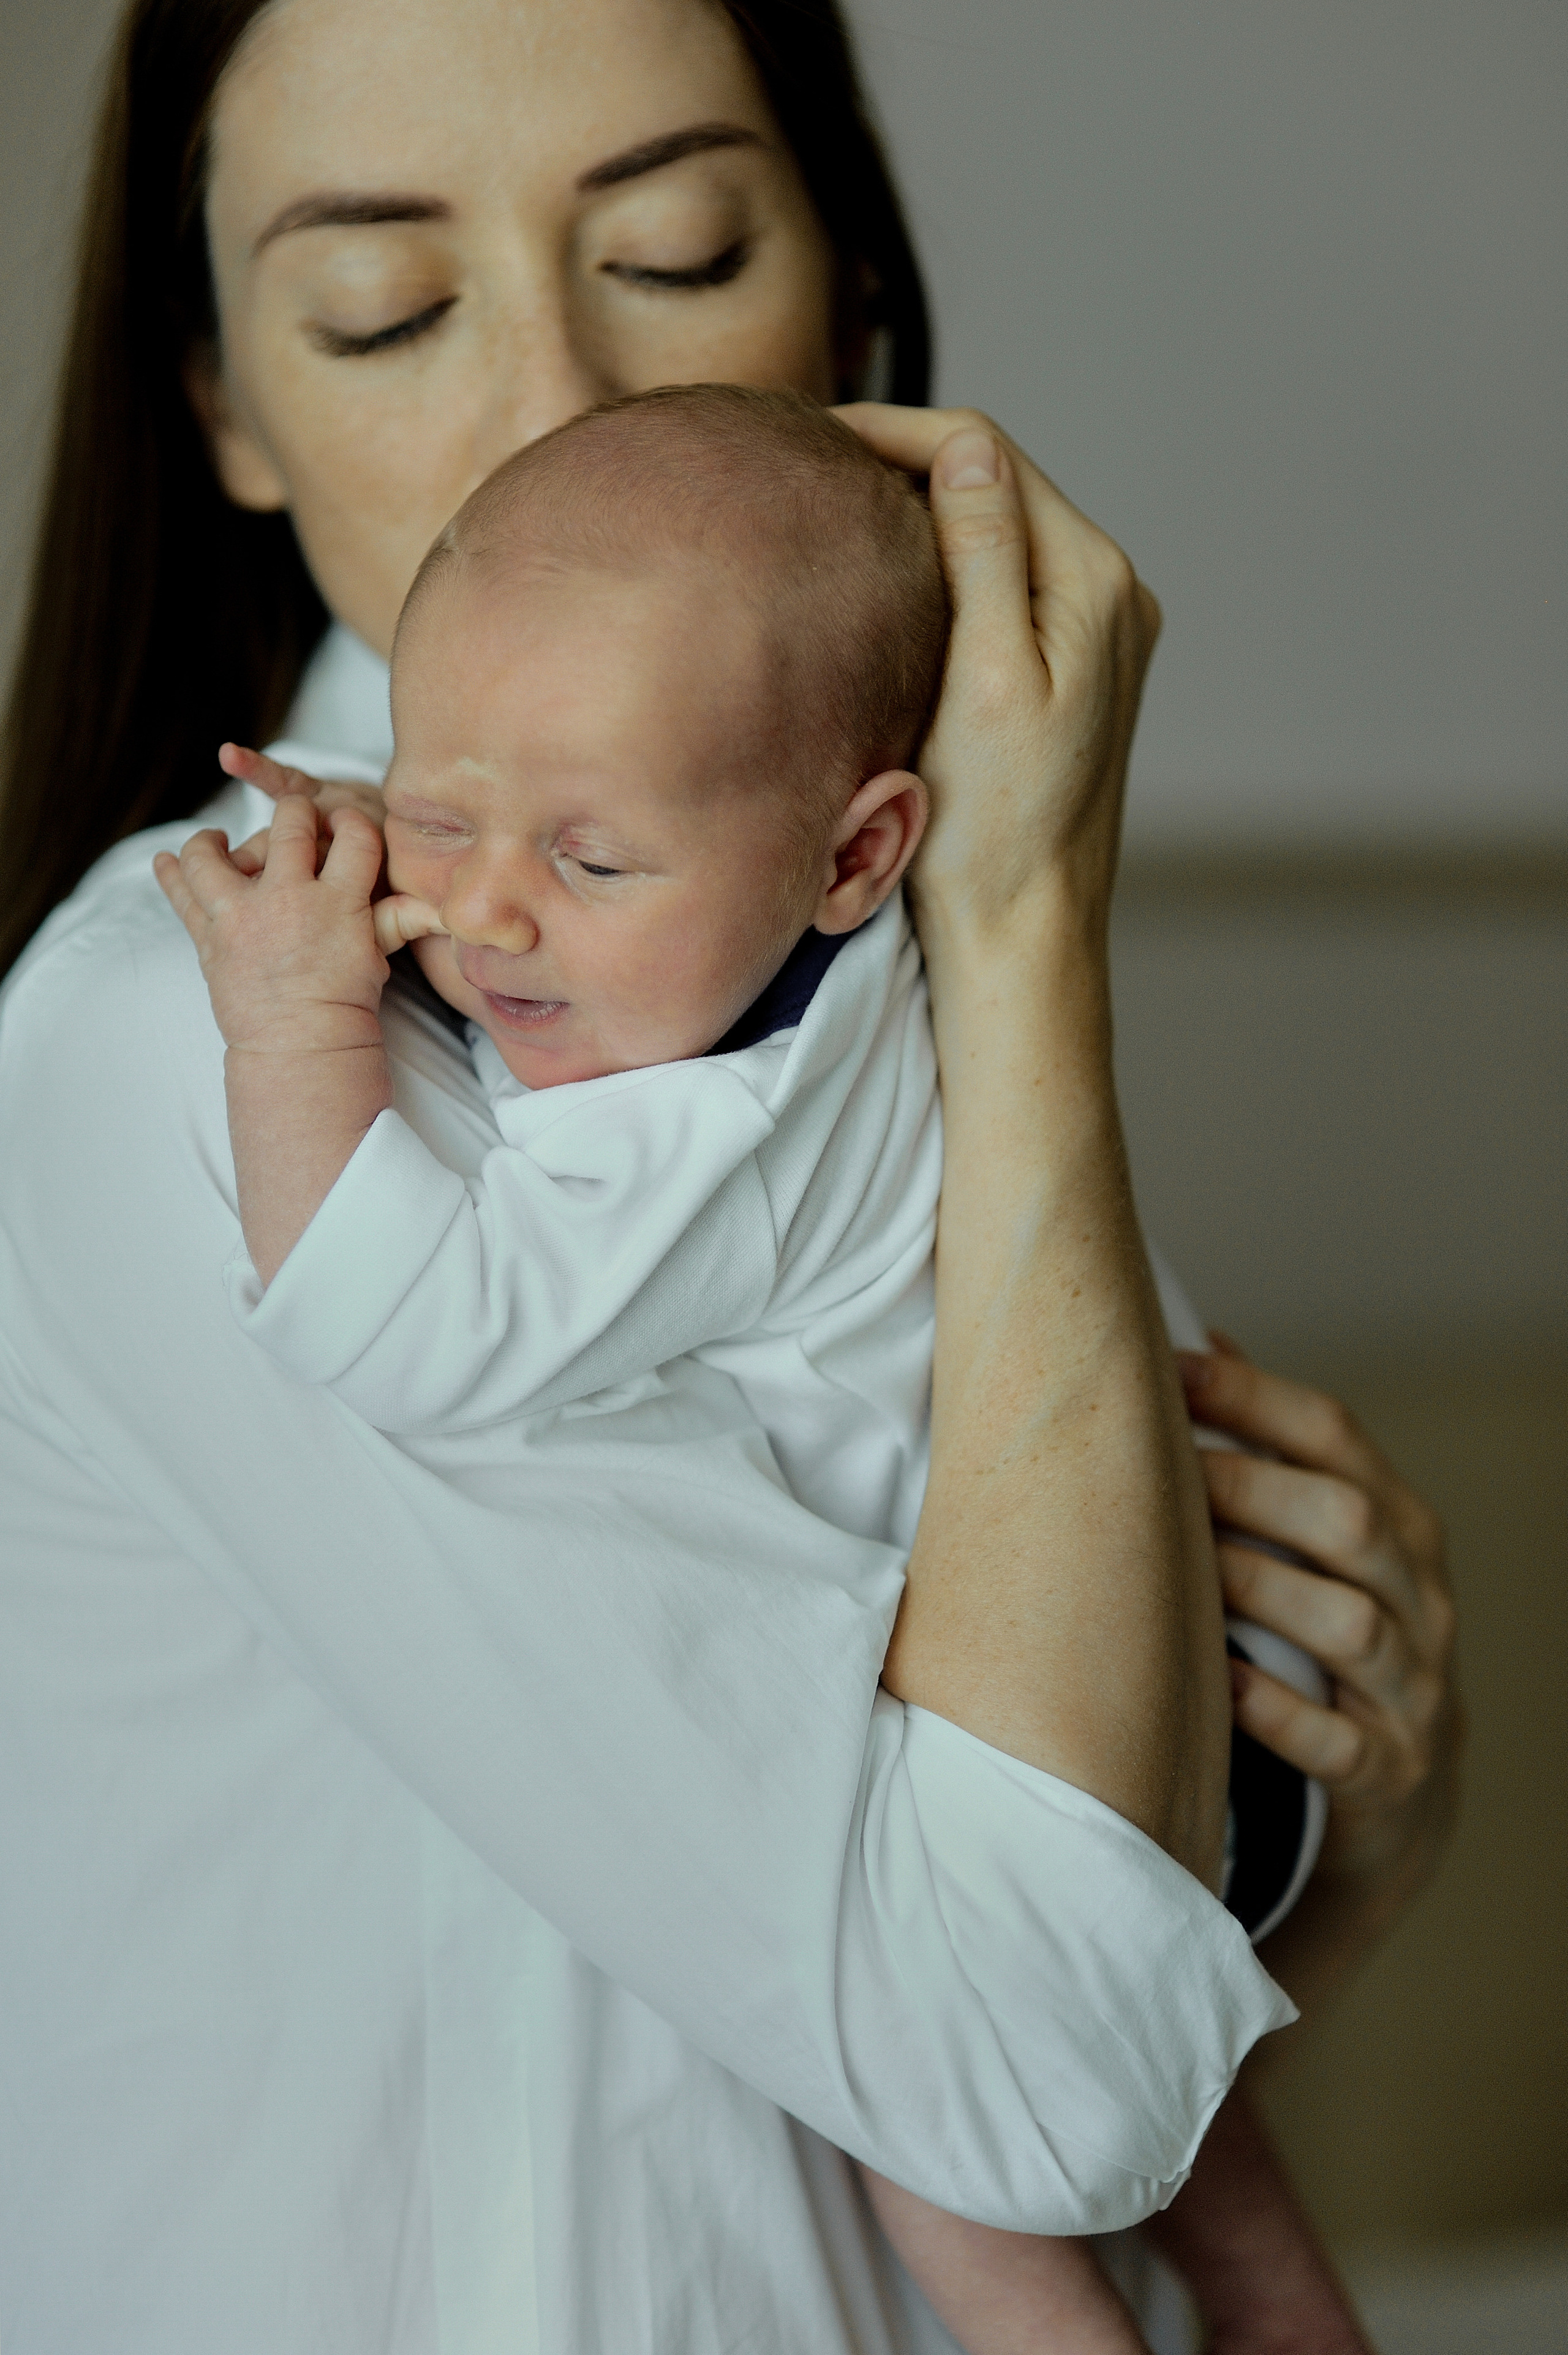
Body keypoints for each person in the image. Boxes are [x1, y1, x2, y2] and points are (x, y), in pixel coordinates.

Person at [0, 2, 1461, 2349]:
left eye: (677, 255)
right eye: (385, 305)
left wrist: (1329, 1848)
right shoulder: (196, 1026)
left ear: (855, 314)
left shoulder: (846, 954)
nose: (560, 399)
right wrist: (1018, 935)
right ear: (228, 412)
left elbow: (1092, 1836)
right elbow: (1043, 2051)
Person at [160, 380, 1374, 2353]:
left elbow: (406, 1330)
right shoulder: (846, 947)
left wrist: (294, 1020)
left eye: (593, 859)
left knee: (921, 2118)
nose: (476, 914)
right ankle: (1277, 2296)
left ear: (859, 848)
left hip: (1119, 1727)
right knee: (1173, 2092)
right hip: (1198, 1658)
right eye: (434, 810)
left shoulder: (701, 1123)